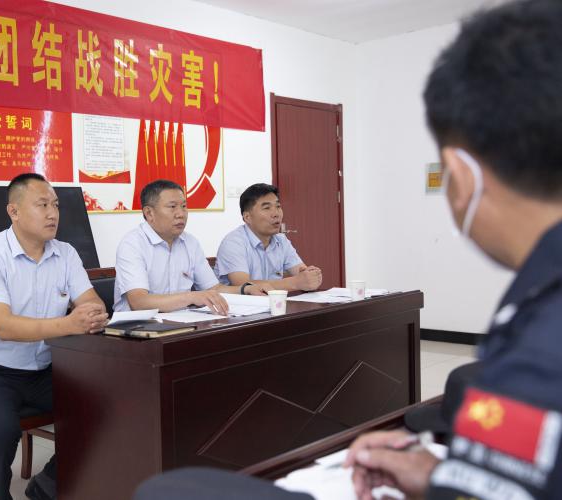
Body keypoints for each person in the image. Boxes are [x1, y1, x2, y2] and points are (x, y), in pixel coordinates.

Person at [135, 0, 562, 498]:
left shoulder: (539, 321)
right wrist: (438, 476)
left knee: (171, 491)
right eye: (268, 207)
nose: (277, 213)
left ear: (461, 177)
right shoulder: (538, 294)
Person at [0, 173, 108, 500]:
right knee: (0, 430)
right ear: (14, 211)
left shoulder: (65, 253)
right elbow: (4, 326)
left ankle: (47, 484)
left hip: (45, 368)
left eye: (56, 205)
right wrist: (70, 323)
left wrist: (93, 313)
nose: (53, 213)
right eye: (42, 205)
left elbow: (91, 301)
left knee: (105, 407)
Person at [113, 179, 270, 315]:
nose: (181, 214)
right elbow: (139, 302)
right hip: (137, 329)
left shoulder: (190, 242)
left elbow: (213, 288)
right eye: (172, 207)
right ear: (149, 213)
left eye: (184, 206)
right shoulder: (132, 244)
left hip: (181, 322)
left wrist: (245, 289)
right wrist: (192, 297)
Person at [215, 183, 322, 292]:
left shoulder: (281, 240)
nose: (276, 214)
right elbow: (243, 285)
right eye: (267, 208)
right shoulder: (233, 243)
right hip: (237, 303)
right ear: (247, 217)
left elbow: (301, 272)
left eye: (278, 206)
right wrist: (295, 283)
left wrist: (310, 277)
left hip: (273, 301)